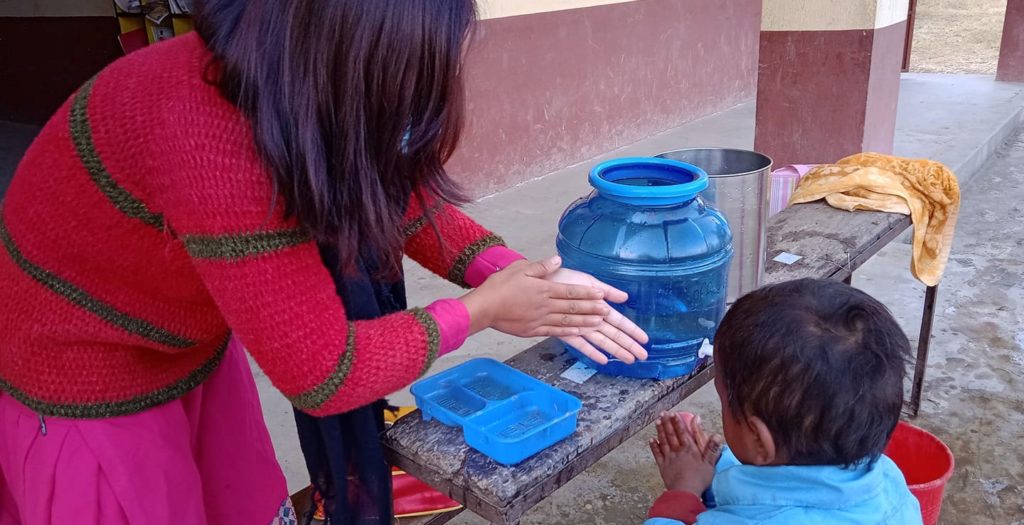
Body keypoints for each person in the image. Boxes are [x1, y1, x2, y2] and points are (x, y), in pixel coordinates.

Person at [0, 1, 649, 524]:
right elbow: (325, 370)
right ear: (345, 55)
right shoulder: (209, 136)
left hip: (180, 340)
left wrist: (522, 276)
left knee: (236, 497)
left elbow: (398, 197)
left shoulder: (285, 81)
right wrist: (482, 310)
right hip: (84, 373)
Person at [645, 279, 923, 525]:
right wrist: (718, 463)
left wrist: (683, 492)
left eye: (724, 401)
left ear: (758, 438)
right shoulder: (887, 480)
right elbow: (786, 484)